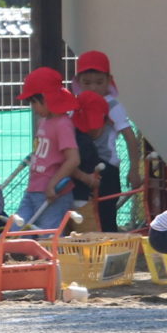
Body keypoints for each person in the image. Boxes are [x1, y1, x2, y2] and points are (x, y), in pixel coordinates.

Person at [72, 51, 143, 215]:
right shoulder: (76, 104)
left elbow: (129, 137)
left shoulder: (112, 106)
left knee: (106, 215)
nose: (93, 87)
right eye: (87, 82)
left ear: (109, 80)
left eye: (99, 82)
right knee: (82, 216)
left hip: (106, 167)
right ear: (78, 81)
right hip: (81, 169)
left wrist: (133, 169)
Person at [14, 71, 82, 230]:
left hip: (54, 194)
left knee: (50, 235)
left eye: (33, 102)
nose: (33, 107)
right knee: (17, 230)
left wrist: (54, 182)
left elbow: (73, 159)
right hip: (33, 189)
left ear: (45, 98)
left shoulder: (62, 124)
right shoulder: (43, 121)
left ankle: (56, 255)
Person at [70, 92, 117, 230]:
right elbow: (69, 165)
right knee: (87, 236)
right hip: (81, 198)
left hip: (69, 197)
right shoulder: (84, 143)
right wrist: (87, 179)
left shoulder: (71, 134)